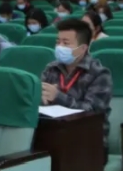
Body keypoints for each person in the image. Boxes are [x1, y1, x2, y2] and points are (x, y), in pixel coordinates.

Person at [41, 19, 113, 156]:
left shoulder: (99, 73)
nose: (59, 47)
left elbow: (92, 112)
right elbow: (39, 100)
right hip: (53, 136)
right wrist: (40, 98)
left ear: (83, 48)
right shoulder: (51, 68)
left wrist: (58, 97)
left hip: (88, 142)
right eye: (58, 42)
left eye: (66, 43)